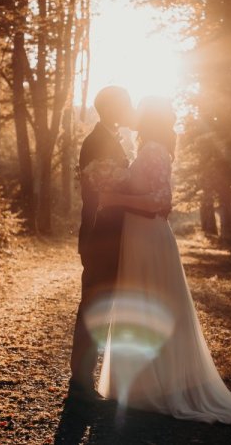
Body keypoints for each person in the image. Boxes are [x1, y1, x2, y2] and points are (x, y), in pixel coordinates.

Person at [94, 97, 231, 424]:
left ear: (149, 118)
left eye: (141, 110)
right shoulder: (148, 149)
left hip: (148, 236)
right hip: (137, 237)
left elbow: (162, 200)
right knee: (140, 306)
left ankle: (161, 387)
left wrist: (114, 197)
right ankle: (141, 386)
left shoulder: (155, 151)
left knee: (153, 306)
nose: (134, 112)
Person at [70, 86, 164, 402]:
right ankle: (80, 383)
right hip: (101, 237)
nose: (130, 111)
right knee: (95, 305)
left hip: (113, 236)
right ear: (112, 109)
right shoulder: (97, 142)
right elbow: (99, 195)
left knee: (104, 306)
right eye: (125, 105)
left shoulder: (109, 138)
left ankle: (85, 380)